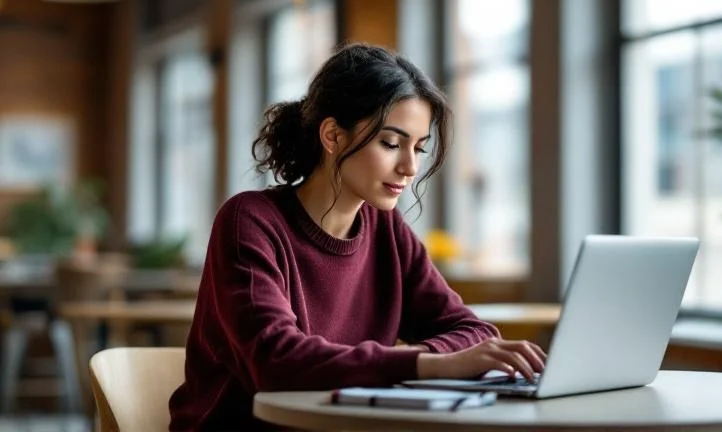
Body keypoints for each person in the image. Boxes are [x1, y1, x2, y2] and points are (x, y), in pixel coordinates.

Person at [168, 43, 546, 431]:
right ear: (333, 136)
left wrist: (428, 359)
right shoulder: (249, 220)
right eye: (391, 143)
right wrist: (427, 364)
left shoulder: (387, 229)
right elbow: (275, 361)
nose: (410, 166)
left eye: (418, 147)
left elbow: (474, 333)